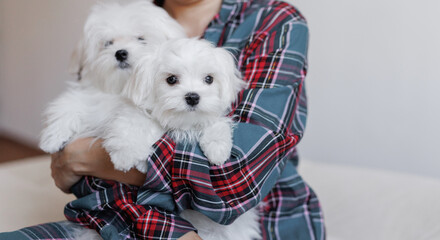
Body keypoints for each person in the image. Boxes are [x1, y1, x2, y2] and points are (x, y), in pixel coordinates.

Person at [0, 0, 325, 239]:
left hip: (254, 226)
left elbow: (235, 179)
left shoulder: (273, 21)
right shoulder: (131, 19)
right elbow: (95, 173)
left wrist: (86, 156)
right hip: (124, 220)